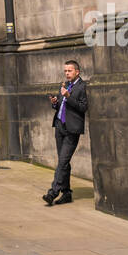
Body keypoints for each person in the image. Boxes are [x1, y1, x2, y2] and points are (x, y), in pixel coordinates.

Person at [43, 59, 88, 207]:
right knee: (64, 163)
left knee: (62, 162)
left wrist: (69, 97)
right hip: (59, 127)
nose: (67, 73)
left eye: (69, 71)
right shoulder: (64, 85)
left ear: (77, 72)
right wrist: (55, 102)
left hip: (72, 129)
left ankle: (53, 192)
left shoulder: (82, 86)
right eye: (65, 71)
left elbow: (83, 107)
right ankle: (67, 193)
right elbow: (61, 107)